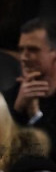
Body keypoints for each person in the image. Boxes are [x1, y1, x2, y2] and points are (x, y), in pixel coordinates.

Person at [13, 18, 56, 158]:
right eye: (21, 50)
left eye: (33, 50)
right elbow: (1, 149)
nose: (24, 57)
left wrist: (35, 115)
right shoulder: (11, 96)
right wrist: (17, 110)